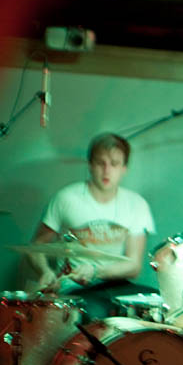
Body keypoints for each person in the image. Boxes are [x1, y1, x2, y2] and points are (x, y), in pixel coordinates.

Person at [28, 132, 156, 319]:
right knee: (97, 314)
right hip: (75, 288)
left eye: (114, 164)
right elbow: (36, 246)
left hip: (118, 285)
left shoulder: (137, 204)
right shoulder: (66, 199)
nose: (106, 170)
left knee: (155, 305)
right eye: (100, 163)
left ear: (124, 169)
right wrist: (45, 271)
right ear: (90, 165)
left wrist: (96, 271)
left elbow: (134, 265)